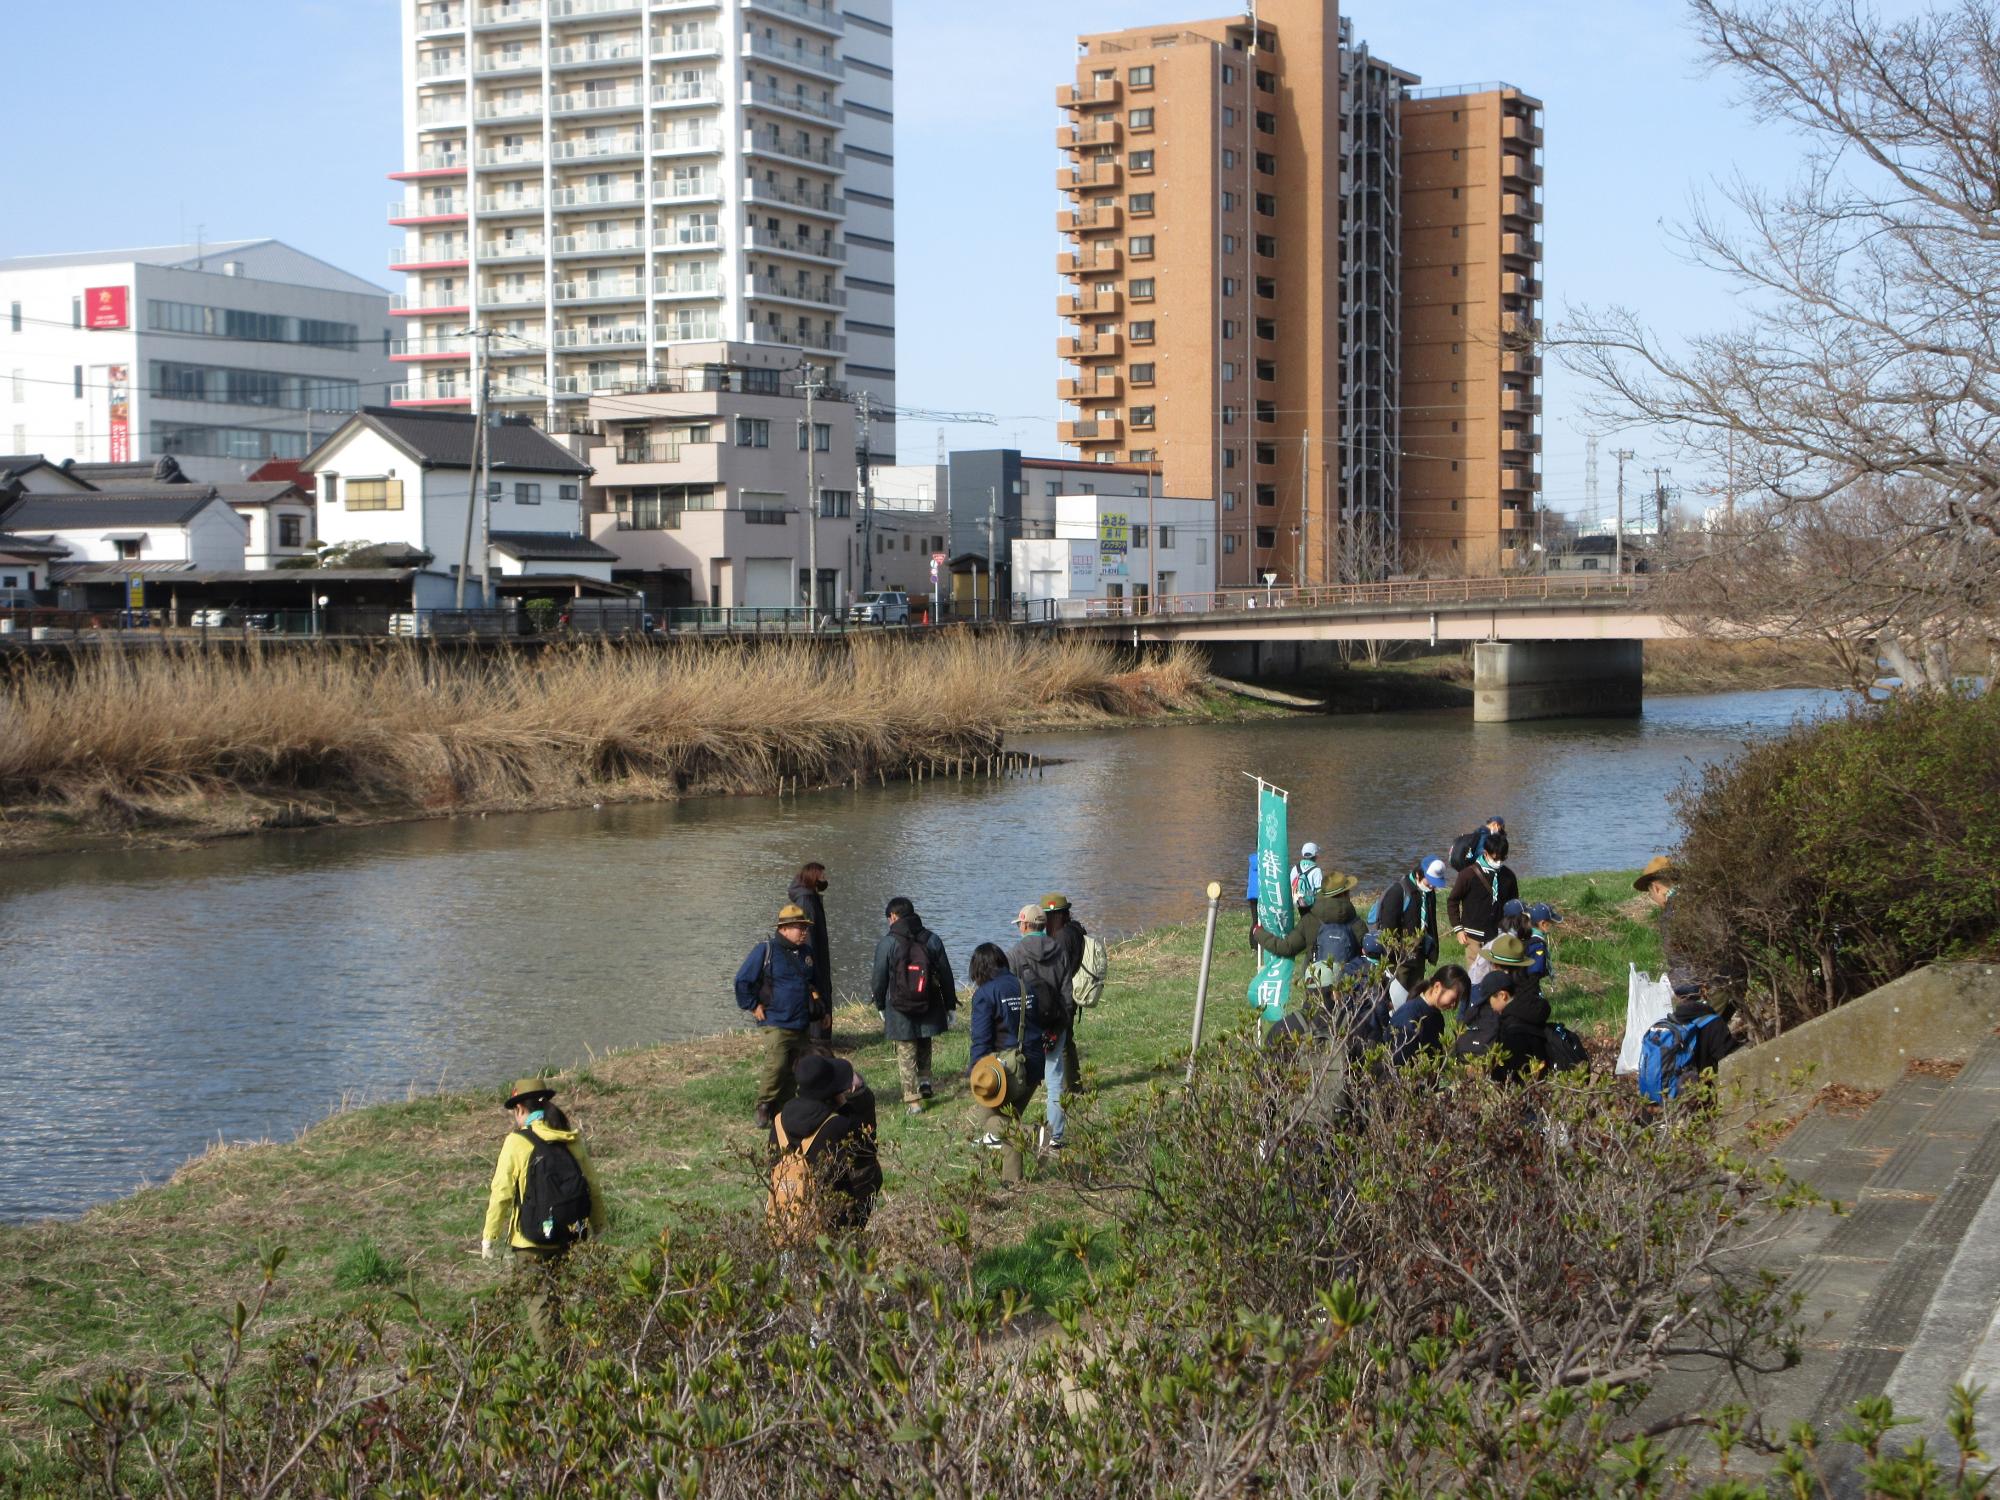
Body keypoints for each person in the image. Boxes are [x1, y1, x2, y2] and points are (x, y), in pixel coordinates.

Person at [481, 1078, 607, 1352]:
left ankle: (553, 1364)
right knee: (560, 1298)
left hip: (530, 1240)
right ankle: (570, 1354)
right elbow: (592, 1186)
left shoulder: (517, 1142)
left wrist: (489, 1237)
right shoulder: (570, 1139)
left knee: (539, 1303)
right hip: (569, 1233)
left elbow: (501, 1193)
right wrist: (598, 1225)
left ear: (520, 1110)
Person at [770, 1054, 881, 1233]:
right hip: (832, 1222)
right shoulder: (837, 1125)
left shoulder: (778, 1122)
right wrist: (846, 1106)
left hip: (786, 1220)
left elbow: (772, 1165)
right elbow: (866, 1155)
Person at [735, 903, 822, 1127]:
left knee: (796, 1068)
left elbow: (814, 983)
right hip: (776, 1021)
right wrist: (753, 1005)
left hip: (801, 1022)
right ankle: (765, 1104)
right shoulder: (766, 950)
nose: (804, 932)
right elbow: (742, 980)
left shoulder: (807, 953)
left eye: (805, 927)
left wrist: (822, 1009)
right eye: (799, 927)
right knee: (777, 1064)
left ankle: (784, 1110)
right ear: (783, 929)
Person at [966, 942, 1044, 1185]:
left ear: (978, 969)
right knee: (1010, 1121)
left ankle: (1035, 1136)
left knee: (988, 1120)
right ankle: (1012, 1181)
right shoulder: (1025, 986)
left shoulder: (985, 994)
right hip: (1034, 1064)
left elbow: (981, 1040)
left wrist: (975, 1074)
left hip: (1007, 1070)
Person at [871, 896, 956, 1116]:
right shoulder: (932, 939)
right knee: (924, 1038)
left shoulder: (888, 943)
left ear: (893, 916)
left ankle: (913, 1101)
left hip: (900, 1006)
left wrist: (880, 1004)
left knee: (906, 1049)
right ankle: (925, 1081)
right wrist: (950, 1004)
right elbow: (946, 973)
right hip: (929, 1001)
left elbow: (879, 978)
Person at [1009, 901, 1074, 1152]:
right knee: (1055, 1081)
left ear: (1025, 925)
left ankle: (1008, 1129)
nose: (1019, 928)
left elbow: (1011, 994)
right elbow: (1067, 993)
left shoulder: (1015, 953)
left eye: (1020, 924)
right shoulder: (1059, 950)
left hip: (1027, 1027)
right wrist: (1061, 1025)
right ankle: (1056, 1136)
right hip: (1055, 1024)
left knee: (1019, 1077)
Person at [1373, 856, 1452, 988]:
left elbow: (1431, 921)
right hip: (1400, 957)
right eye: (1429, 882)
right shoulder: (1398, 892)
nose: (1432, 886)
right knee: (1399, 992)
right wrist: (1396, 953)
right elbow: (1388, 927)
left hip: (1419, 954)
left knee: (1416, 991)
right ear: (1418, 875)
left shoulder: (1429, 893)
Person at [1448, 831, 1520, 958]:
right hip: (1473, 936)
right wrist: (1458, 928)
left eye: (1502, 858)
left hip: (1499, 936)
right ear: (1485, 853)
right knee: (1475, 970)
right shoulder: (1467, 875)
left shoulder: (1509, 876)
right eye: (1495, 858)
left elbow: (1514, 903)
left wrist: (1512, 929)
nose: (1499, 862)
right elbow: (1453, 901)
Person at [787, 862, 834, 1053]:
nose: (825, 878)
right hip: (813, 957)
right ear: (813, 877)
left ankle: (819, 1037)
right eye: (822, 875)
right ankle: (817, 1040)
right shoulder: (807, 901)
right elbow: (808, 937)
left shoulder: (811, 898)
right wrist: (812, 961)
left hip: (817, 955)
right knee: (816, 993)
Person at [1384, 964, 1473, 1065]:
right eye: (1453, 999)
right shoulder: (1408, 1018)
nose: (1454, 1006)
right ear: (1437, 987)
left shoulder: (1436, 1017)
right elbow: (1399, 1064)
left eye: (1457, 1002)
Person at [1289, 841, 1325, 907]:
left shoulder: (1295, 868)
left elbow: (1291, 885)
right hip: (1309, 905)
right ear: (1316, 855)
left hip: (1295, 904)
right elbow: (1319, 891)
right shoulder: (1316, 870)